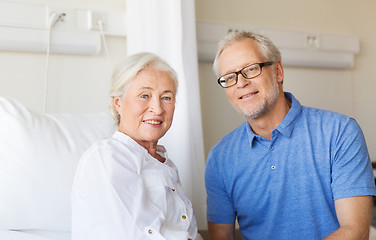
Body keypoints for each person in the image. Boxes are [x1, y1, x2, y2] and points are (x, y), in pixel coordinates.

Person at [205, 31, 376, 240]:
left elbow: (355, 232)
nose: (241, 83)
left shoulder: (340, 132)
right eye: (230, 77)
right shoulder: (220, 159)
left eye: (251, 69)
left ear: (277, 71)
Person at [71, 52, 198, 240]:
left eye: (166, 98)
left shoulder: (166, 165)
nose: (157, 108)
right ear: (118, 103)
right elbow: (140, 234)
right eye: (144, 95)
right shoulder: (107, 157)